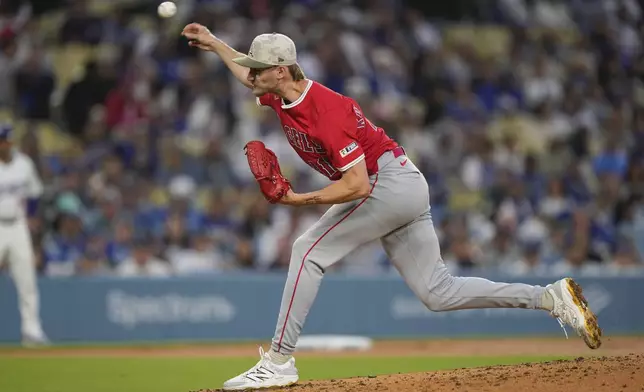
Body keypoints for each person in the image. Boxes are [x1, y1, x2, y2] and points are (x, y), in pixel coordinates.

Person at [181, 24, 602, 391]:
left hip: (386, 184)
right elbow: (245, 75)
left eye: (258, 67)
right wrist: (216, 43)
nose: (249, 73)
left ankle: (278, 362)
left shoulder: (325, 111)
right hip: (401, 182)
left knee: (307, 251)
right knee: (438, 293)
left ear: (280, 70)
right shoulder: (280, 94)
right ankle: (550, 298)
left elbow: (357, 184)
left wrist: (297, 200)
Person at [0, 124, 49, 347]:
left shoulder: (23, 164)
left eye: (7, 140)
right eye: (2, 140)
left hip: (18, 225)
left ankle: (31, 330)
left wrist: (31, 219)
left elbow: (35, 193)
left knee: (26, 280)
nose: (4, 144)